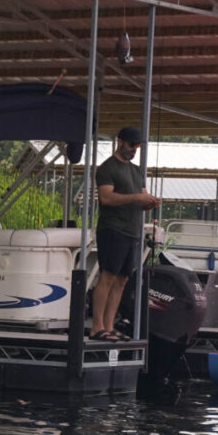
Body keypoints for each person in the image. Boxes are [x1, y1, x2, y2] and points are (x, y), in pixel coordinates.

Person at [92, 125, 161, 341]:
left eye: (137, 146)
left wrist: (149, 203)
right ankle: (97, 327)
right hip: (112, 229)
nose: (134, 150)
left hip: (132, 232)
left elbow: (141, 198)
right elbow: (106, 198)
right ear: (120, 142)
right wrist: (136, 198)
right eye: (131, 145)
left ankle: (110, 326)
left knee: (122, 279)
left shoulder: (135, 170)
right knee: (108, 276)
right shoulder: (107, 168)